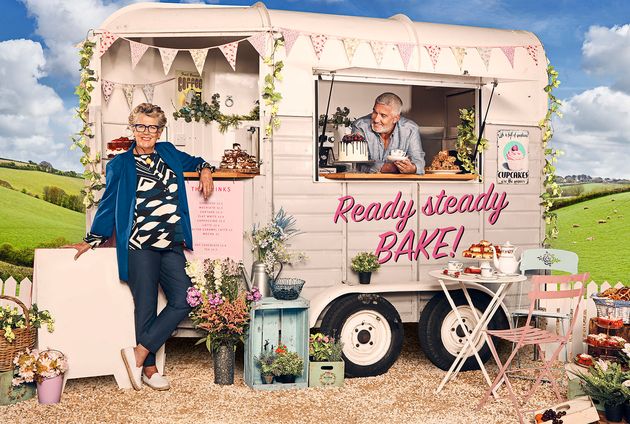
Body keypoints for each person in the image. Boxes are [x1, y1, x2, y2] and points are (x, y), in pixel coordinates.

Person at [69, 103, 214, 391]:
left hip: (171, 242)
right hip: (139, 245)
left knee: (184, 299)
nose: (146, 132)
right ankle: (149, 369)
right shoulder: (120, 165)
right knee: (145, 305)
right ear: (132, 128)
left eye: (152, 127)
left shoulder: (169, 152)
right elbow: (109, 204)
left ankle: (139, 351)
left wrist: (206, 170)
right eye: (140, 126)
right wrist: (92, 239)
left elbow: (196, 161)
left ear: (160, 131)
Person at [351, 92, 425, 174]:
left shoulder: (410, 129)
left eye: (383, 115)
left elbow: (419, 162)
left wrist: (412, 168)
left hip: (399, 184)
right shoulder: (360, 126)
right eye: (375, 112)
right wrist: (385, 167)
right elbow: (356, 163)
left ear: (396, 118)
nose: (376, 119)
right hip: (364, 183)